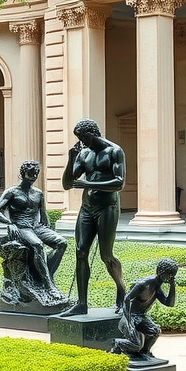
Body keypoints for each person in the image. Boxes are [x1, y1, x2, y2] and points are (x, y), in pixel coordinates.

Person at [61, 118, 127, 316]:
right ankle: (82, 303)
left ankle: (122, 290)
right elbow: (67, 184)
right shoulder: (84, 154)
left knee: (106, 255)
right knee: (80, 252)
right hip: (87, 208)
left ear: (92, 133)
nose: (81, 142)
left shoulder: (114, 151)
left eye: (82, 137)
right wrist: (71, 159)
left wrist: (89, 184)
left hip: (108, 207)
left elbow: (119, 183)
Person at [0, 160, 67, 296]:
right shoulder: (12, 192)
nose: (34, 175)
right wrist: (9, 223)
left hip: (36, 227)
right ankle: (48, 284)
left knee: (62, 243)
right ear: (23, 172)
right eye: (31, 172)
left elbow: (43, 215)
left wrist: (48, 229)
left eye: (36, 173)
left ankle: (45, 273)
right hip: (21, 227)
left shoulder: (38, 193)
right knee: (38, 245)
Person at [111, 258, 178, 361]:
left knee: (155, 331)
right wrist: (129, 322)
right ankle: (117, 343)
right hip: (130, 315)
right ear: (160, 271)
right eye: (169, 274)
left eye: (172, 275)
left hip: (140, 316)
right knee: (136, 345)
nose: (170, 277)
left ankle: (145, 352)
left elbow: (169, 303)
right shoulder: (143, 284)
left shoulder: (157, 288)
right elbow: (126, 299)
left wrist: (172, 285)